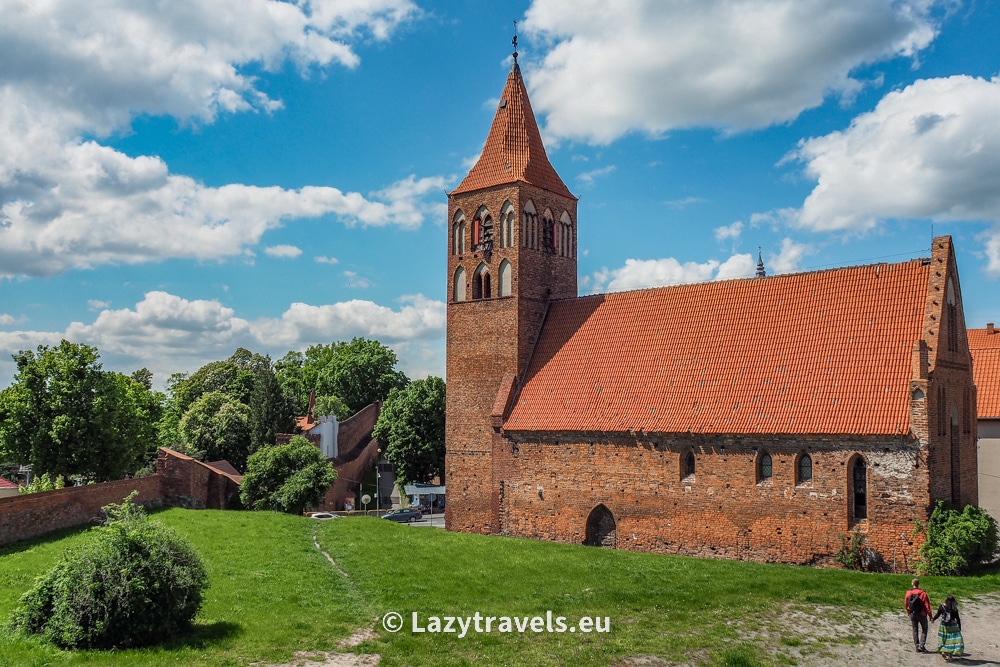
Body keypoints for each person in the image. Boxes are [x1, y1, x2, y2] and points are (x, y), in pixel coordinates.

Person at [932, 595, 964, 660]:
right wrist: (959, 627)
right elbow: (958, 619)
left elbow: (938, 614)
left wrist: (933, 619)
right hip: (952, 626)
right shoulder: (954, 609)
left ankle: (943, 651)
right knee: (951, 641)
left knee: (943, 639)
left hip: (943, 626)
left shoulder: (942, 606)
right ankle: (950, 655)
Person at [905, 578, 932, 652]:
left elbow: (906, 603)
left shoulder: (908, 593)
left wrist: (908, 611)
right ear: (918, 584)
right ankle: (921, 645)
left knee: (915, 629)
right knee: (924, 629)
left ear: (912, 584)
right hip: (922, 614)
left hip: (913, 613)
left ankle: (917, 646)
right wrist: (930, 616)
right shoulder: (923, 593)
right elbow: (927, 605)